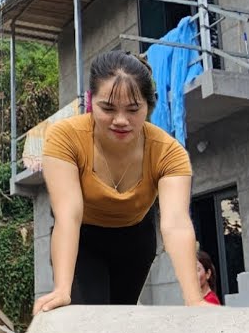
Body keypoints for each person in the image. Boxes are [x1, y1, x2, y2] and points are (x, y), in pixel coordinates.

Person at [33, 51, 207, 314]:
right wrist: (62, 289)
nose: (121, 120)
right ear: (91, 102)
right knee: (90, 318)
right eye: (108, 108)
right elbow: (68, 213)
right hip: (83, 238)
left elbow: (176, 223)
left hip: (135, 240)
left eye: (133, 109)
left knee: (117, 321)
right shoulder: (64, 137)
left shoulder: (168, 152)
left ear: (149, 106)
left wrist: (194, 299)